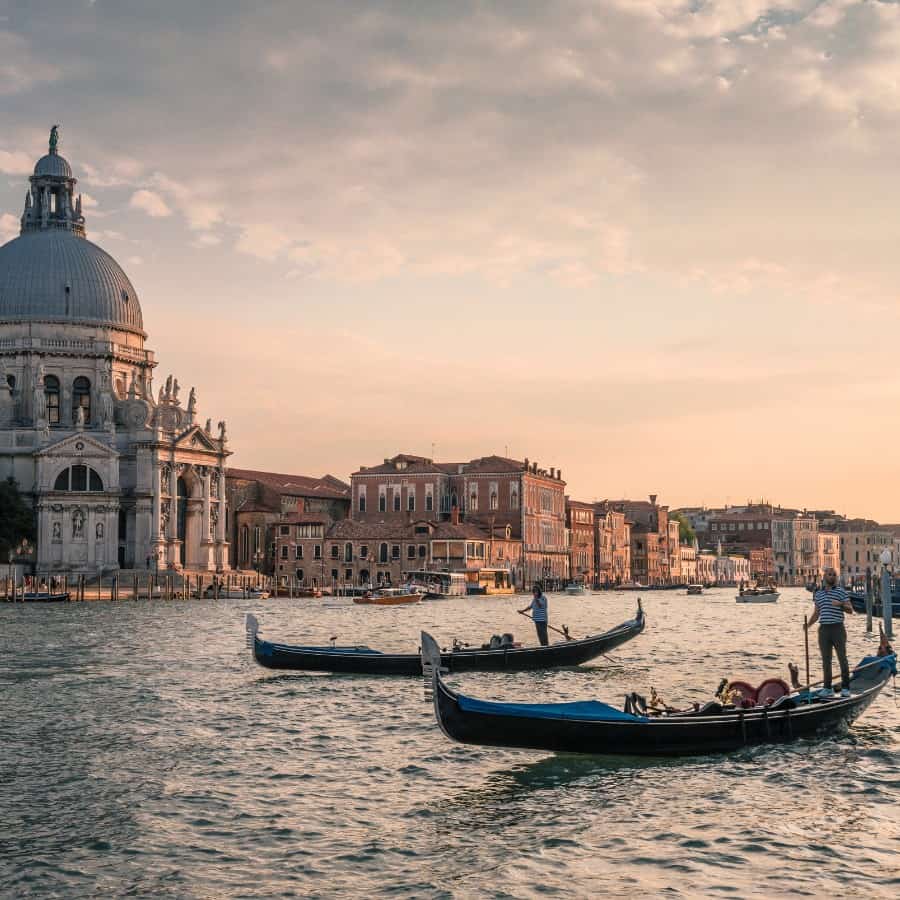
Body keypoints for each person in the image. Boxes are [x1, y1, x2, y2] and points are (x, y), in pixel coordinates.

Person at [805, 567, 853, 696]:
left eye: (834, 575)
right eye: (829, 574)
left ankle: (846, 688)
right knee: (826, 660)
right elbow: (816, 613)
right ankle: (827, 688)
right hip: (824, 630)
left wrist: (840, 605)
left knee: (842, 658)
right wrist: (808, 625)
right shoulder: (818, 594)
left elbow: (850, 609)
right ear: (824, 576)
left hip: (838, 628)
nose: (832, 576)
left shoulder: (841, 592)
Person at [519, 582, 549, 646]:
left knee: (543, 634)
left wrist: (536, 598)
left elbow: (540, 605)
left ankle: (546, 646)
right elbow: (530, 607)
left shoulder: (543, 598)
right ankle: (542, 646)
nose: (535, 593)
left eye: (536, 591)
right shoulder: (534, 599)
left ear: (539, 592)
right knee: (539, 635)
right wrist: (522, 611)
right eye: (534, 592)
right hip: (537, 620)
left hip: (542, 620)